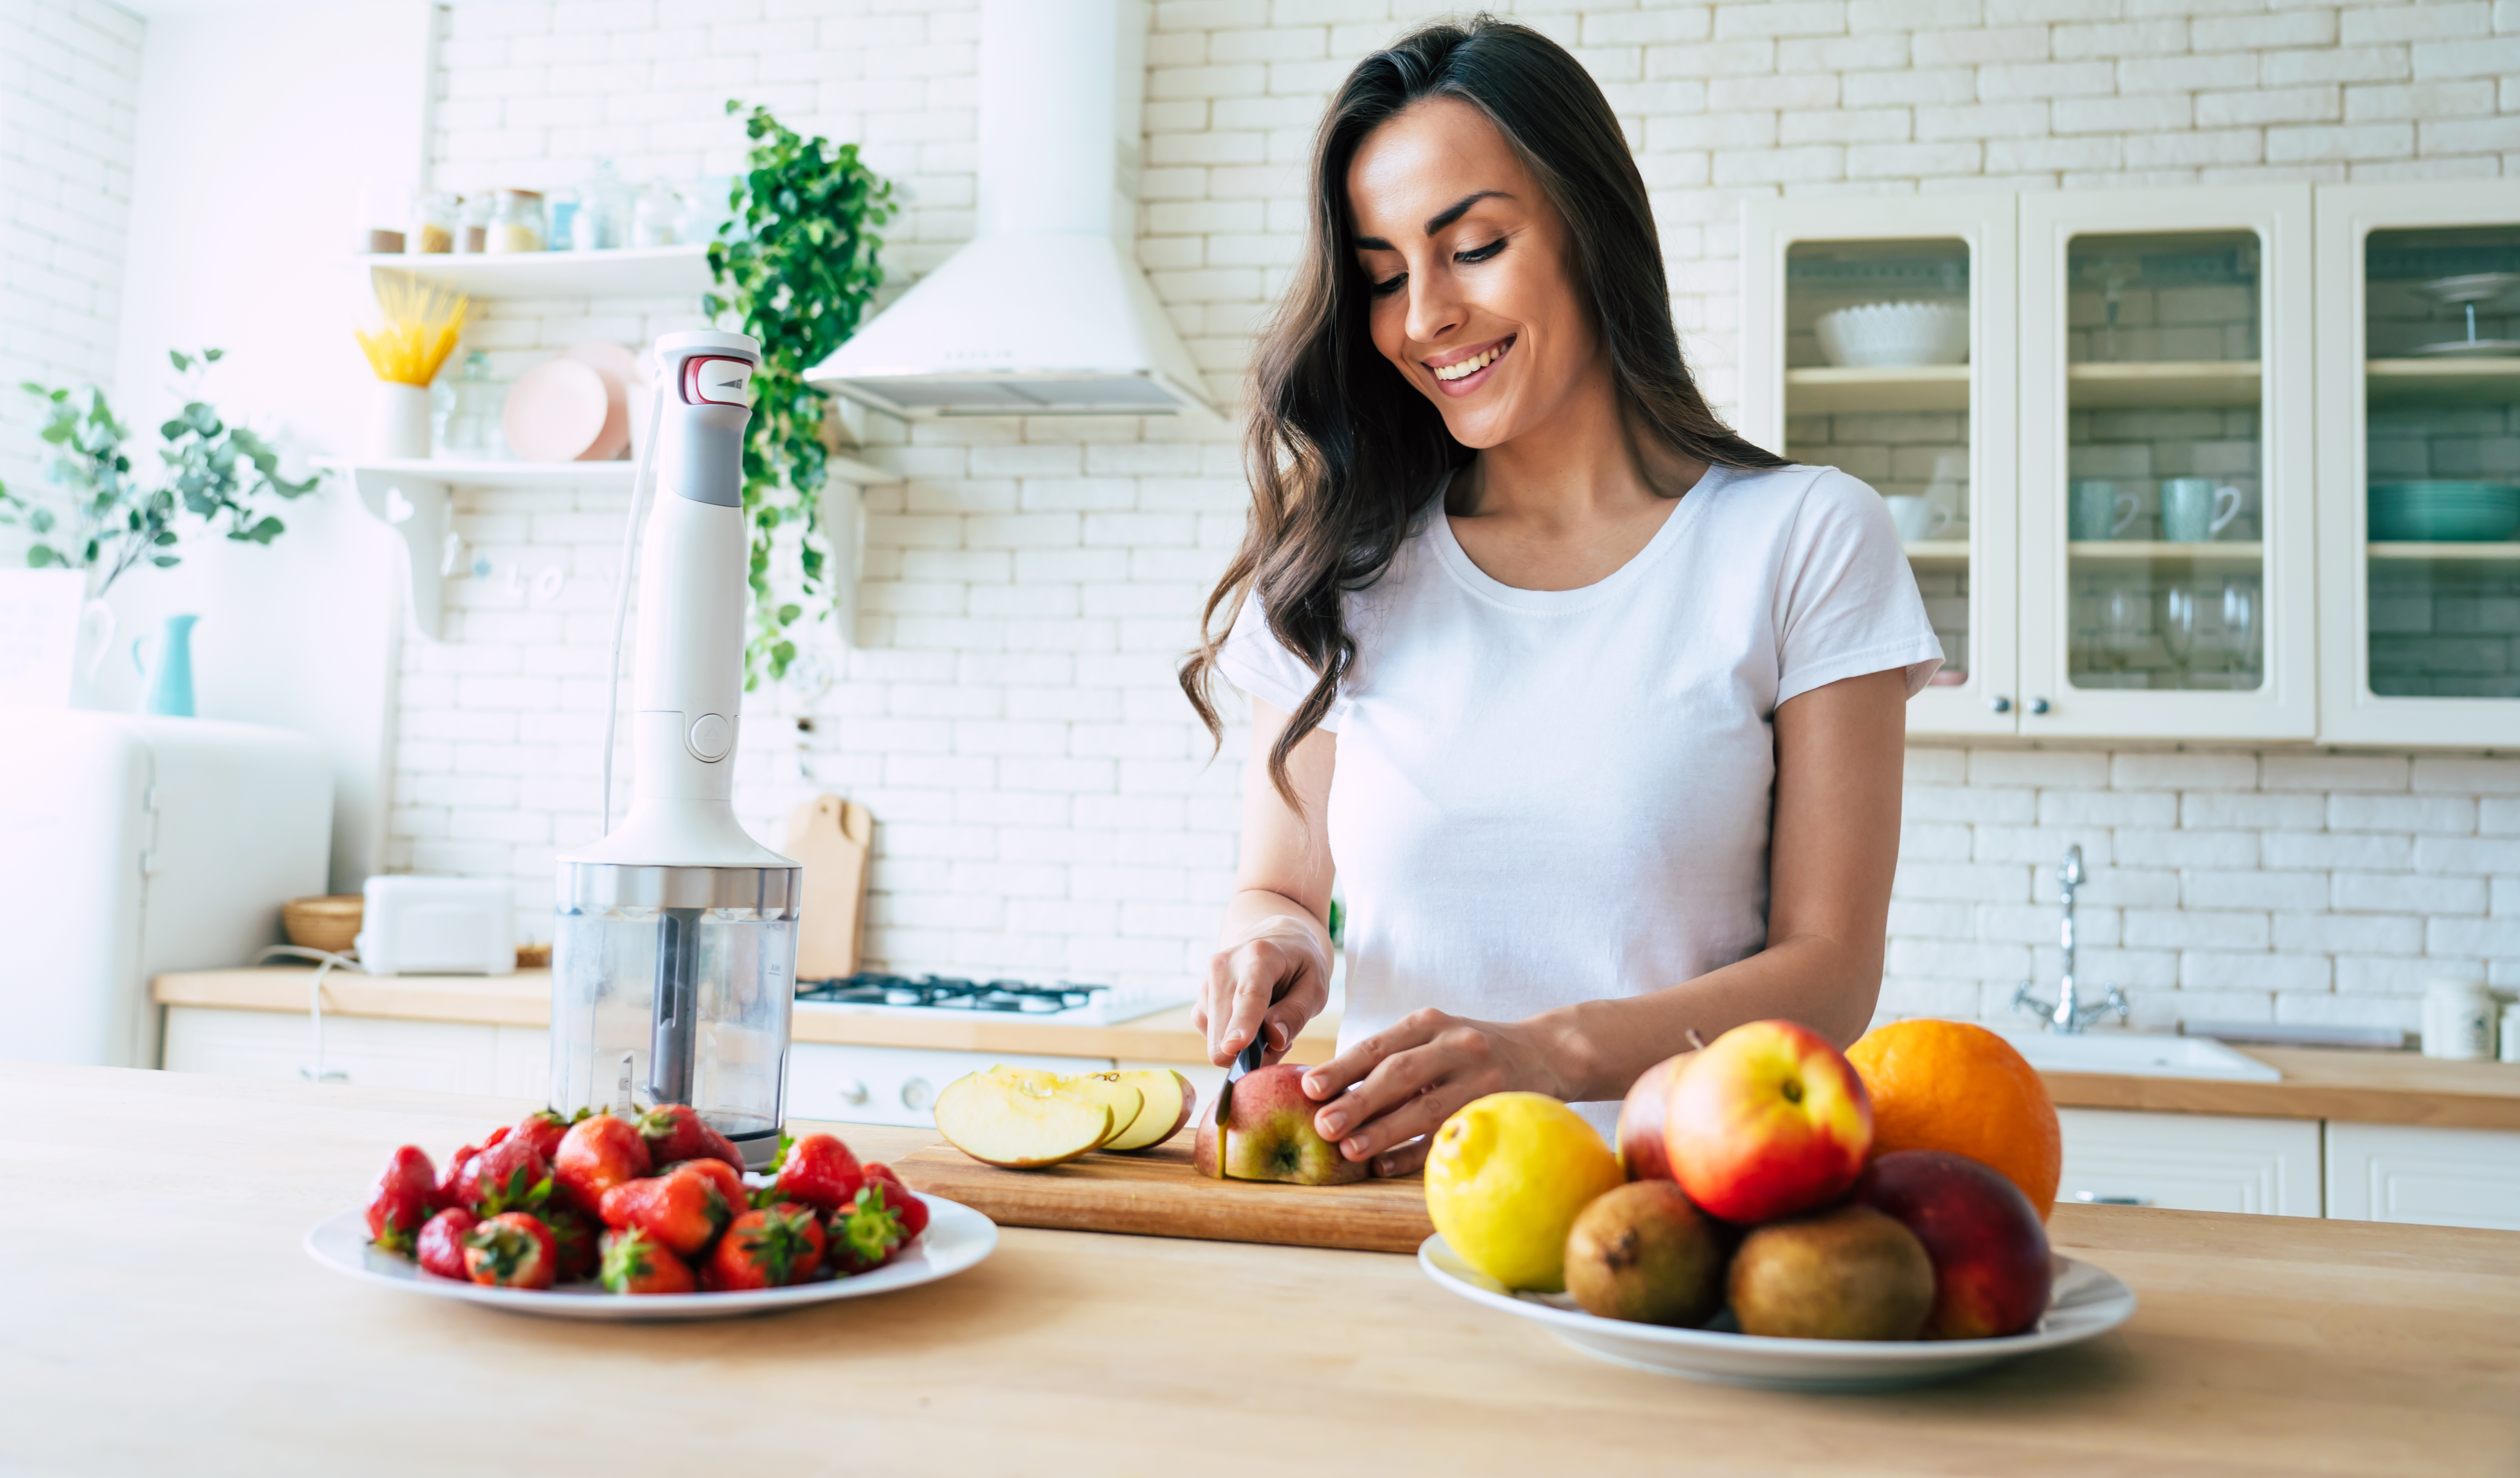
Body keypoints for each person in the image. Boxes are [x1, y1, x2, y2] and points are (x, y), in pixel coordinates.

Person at [1176, 17, 1942, 1177]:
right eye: (1382, 277)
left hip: (1671, 1226)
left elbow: (1830, 971)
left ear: (1591, 225)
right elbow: (1277, 885)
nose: (1423, 315)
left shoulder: (1803, 538)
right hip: (1383, 1224)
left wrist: (1546, 1051)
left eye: (1473, 246)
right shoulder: (1345, 565)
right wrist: (1271, 944)